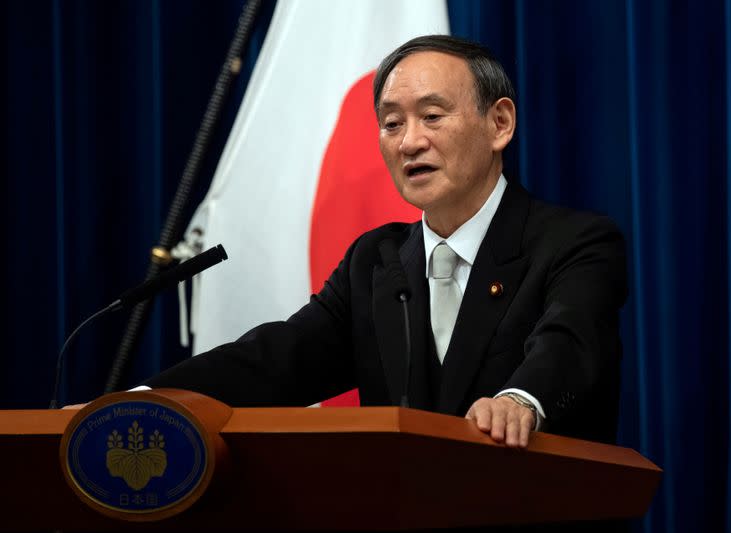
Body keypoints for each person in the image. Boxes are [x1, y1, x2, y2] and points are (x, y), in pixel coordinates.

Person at [144, 35, 627, 449]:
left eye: (432, 116)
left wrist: (520, 399)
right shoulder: (375, 262)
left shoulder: (575, 243)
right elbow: (273, 360)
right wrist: (144, 400)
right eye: (392, 123)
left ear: (499, 123)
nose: (409, 142)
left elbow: (570, 343)